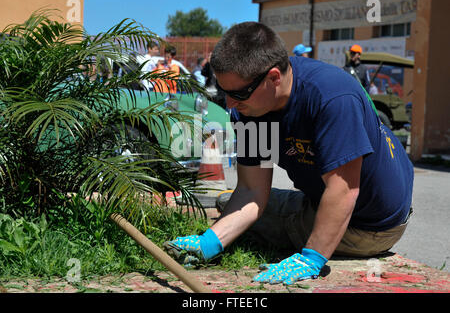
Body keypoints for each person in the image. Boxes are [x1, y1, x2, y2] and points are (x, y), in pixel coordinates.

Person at [164, 22, 414, 286]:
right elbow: (251, 190)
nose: (230, 104)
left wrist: (311, 258)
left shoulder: (332, 98)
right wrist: (209, 242)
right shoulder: (250, 112)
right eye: (224, 92)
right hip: (328, 201)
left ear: (274, 78)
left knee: (238, 217)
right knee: (228, 203)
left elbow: (344, 191)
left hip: (373, 226)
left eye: (238, 94)